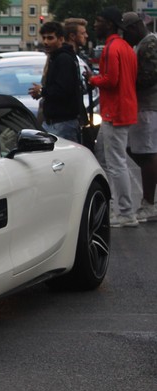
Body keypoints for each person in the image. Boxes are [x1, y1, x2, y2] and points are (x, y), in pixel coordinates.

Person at [84, 6, 138, 227]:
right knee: (110, 160)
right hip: (124, 109)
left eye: (98, 21)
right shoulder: (125, 47)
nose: (95, 25)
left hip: (114, 112)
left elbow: (111, 80)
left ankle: (125, 212)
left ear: (110, 24)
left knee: (116, 163)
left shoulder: (110, 48)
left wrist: (92, 79)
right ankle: (117, 207)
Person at [122, 12, 157, 222]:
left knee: (146, 154)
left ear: (135, 27)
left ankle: (149, 204)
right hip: (144, 106)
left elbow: (148, 77)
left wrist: (125, 84)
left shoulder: (149, 44)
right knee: (136, 150)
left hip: (148, 107)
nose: (124, 37)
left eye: (126, 32)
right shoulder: (143, 44)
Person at [28, 22, 83, 142]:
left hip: (63, 124)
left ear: (61, 39)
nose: (46, 42)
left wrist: (42, 91)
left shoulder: (63, 59)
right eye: (44, 38)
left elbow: (63, 90)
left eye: (50, 38)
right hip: (55, 123)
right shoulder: (56, 57)